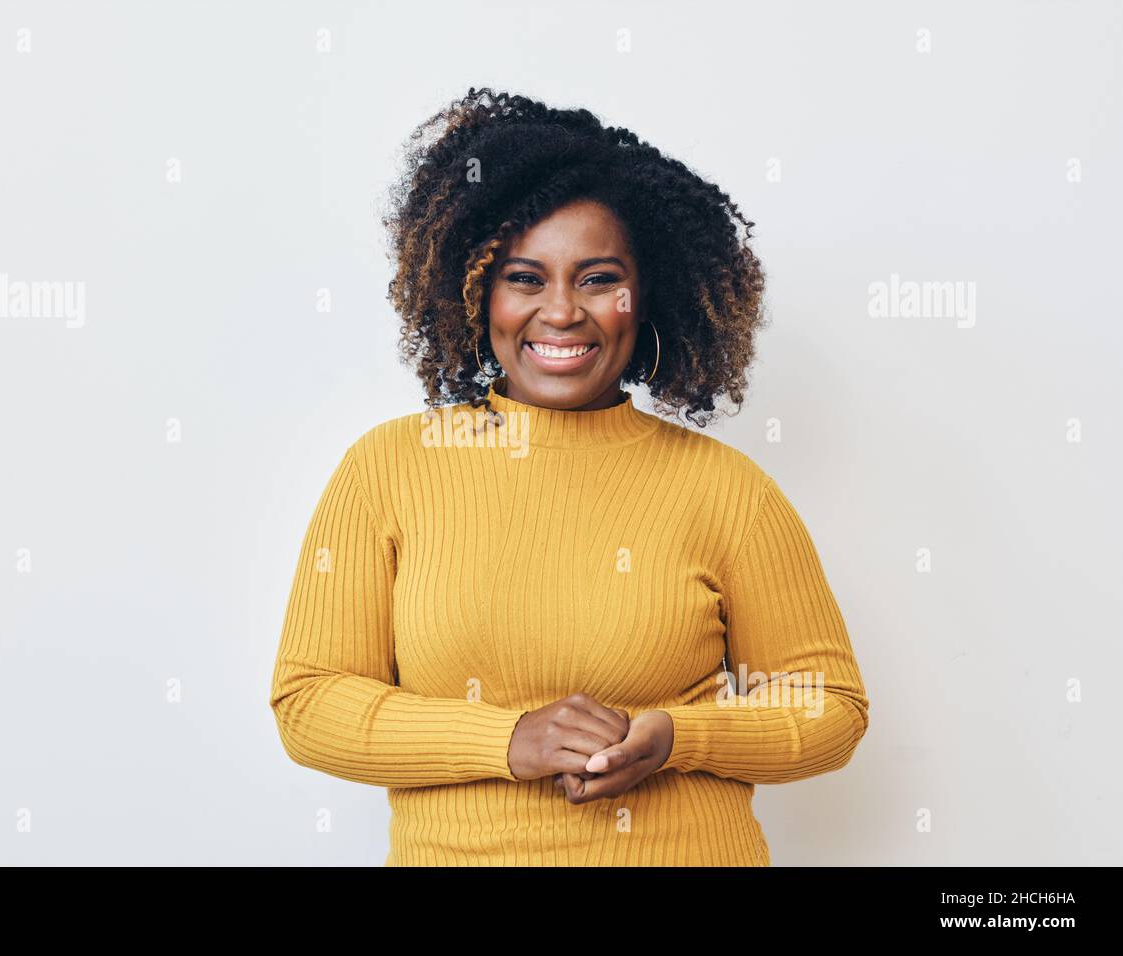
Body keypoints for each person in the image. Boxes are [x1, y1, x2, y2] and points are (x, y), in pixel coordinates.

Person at [269, 87, 870, 865]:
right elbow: (310, 701)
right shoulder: (387, 470)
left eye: (596, 279)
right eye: (524, 277)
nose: (561, 312)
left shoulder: (727, 490)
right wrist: (507, 738)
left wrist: (679, 737)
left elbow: (830, 708)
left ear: (644, 296)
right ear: (475, 290)